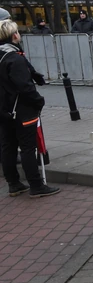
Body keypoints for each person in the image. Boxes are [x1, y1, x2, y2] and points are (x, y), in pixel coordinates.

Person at [0, 21, 60, 197]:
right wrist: (38, 101)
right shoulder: (14, 59)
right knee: (28, 147)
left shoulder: (6, 56)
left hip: (4, 110)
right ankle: (36, 185)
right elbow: (25, 87)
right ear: (14, 35)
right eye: (17, 32)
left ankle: (14, 183)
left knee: (8, 147)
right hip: (21, 110)